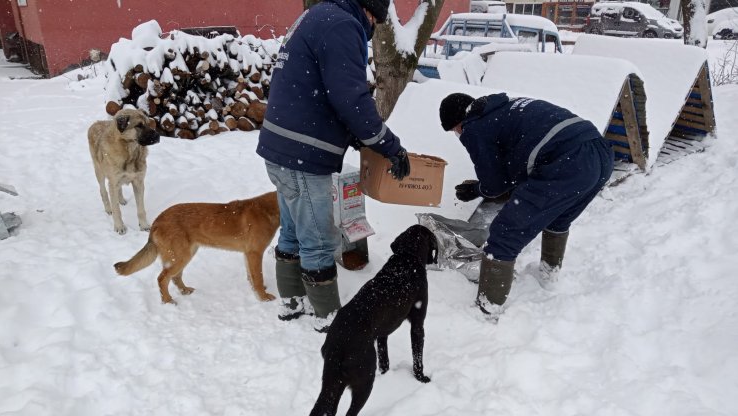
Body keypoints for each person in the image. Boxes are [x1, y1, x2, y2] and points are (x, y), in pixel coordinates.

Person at [257, 0, 410, 332]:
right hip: (303, 154)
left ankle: (291, 301)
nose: (372, 25)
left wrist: (356, 136)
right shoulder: (343, 25)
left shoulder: (316, 15)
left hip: (281, 147)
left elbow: (319, 89)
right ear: (368, 10)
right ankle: (327, 316)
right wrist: (390, 146)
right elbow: (351, 99)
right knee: (320, 240)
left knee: (295, 229)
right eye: (374, 18)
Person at [439, 92, 614, 320]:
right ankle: (548, 278)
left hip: (568, 162)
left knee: (504, 234)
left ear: (460, 121)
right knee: (558, 218)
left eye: (455, 130)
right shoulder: (505, 107)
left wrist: (476, 190)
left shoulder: (474, 127)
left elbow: (495, 184)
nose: (458, 134)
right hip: (598, 153)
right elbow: (517, 164)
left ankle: (486, 311)